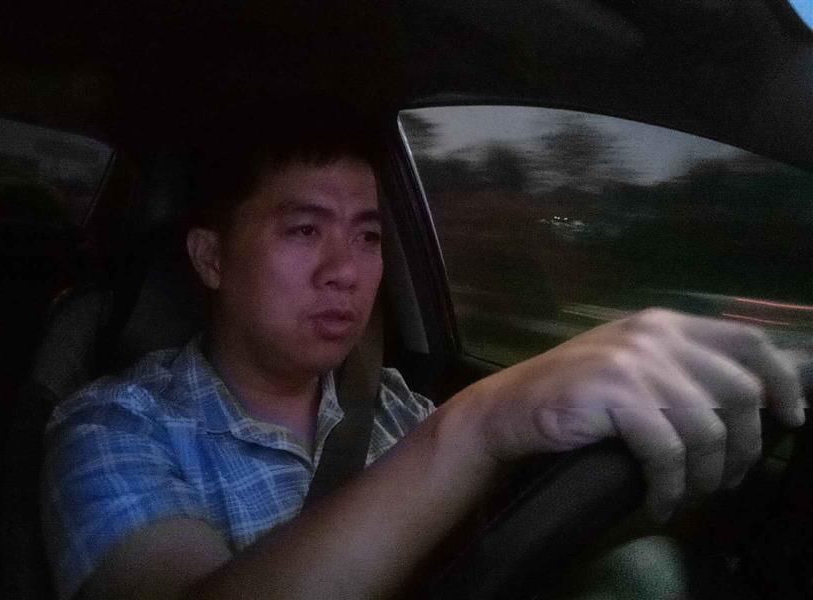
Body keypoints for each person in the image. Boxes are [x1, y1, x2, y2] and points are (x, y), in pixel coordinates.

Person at [41, 98, 806, 600]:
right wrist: (478, 423)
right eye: (304, 230)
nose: (346, 271)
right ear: (211, 259)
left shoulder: (394, 405)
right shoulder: (115, 427)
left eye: (368, 236)